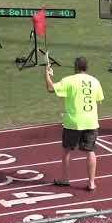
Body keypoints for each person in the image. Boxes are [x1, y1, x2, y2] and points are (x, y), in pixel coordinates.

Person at [45, 57, 104, 191]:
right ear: (87, 67)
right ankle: (92, 183)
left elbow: (50, 88)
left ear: (75, 67)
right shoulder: (95, 81)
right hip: (91, 121)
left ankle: (65, 179)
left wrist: (47, 74)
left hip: (73, 122)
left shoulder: (69, 80)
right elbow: (99, 100)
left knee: (67, 151)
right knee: (90, 152)